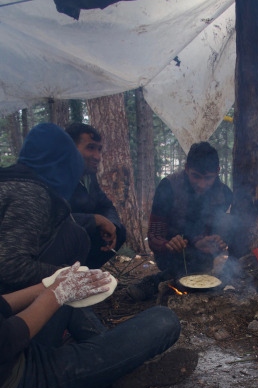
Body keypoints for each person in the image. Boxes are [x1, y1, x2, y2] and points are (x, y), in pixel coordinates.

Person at [0, 262, 198, 388]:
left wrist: (49, 286)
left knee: (70, 301)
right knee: (164, 320)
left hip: (17, 353)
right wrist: (56, 293)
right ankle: (120, 371)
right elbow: (8, 340)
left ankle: (114, 368)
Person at [127, 141, 233, 301]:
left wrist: (213, 240)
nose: (202, 185)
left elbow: (214, 228)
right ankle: (151, 283)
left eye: (208, 178)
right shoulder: (168, 187)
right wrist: (167, 244)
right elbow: (154, 236)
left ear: (217, 171)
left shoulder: (224, 193)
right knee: (187, 263)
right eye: (195, 176)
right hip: (170, 254)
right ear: (186, 168)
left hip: (202, 254)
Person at [0, 123, 90, 295]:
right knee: (76, 236)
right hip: (6, 304)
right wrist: (66, 276)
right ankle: (58, 313)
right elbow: (10, 266)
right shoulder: (31, 193)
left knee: (73, 231)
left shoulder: (11, 179)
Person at [66, 122, 127, 268]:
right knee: (79, 235)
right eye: (90, 148)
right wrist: (95, 220)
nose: (97, 156)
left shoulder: (88, 177)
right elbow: (52, 221)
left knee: (120, 231)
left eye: (99, 149)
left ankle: (86, 273)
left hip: (83, 238)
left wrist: (112, 225)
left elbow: (105, 205)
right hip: (56, 246)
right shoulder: (56, 177)